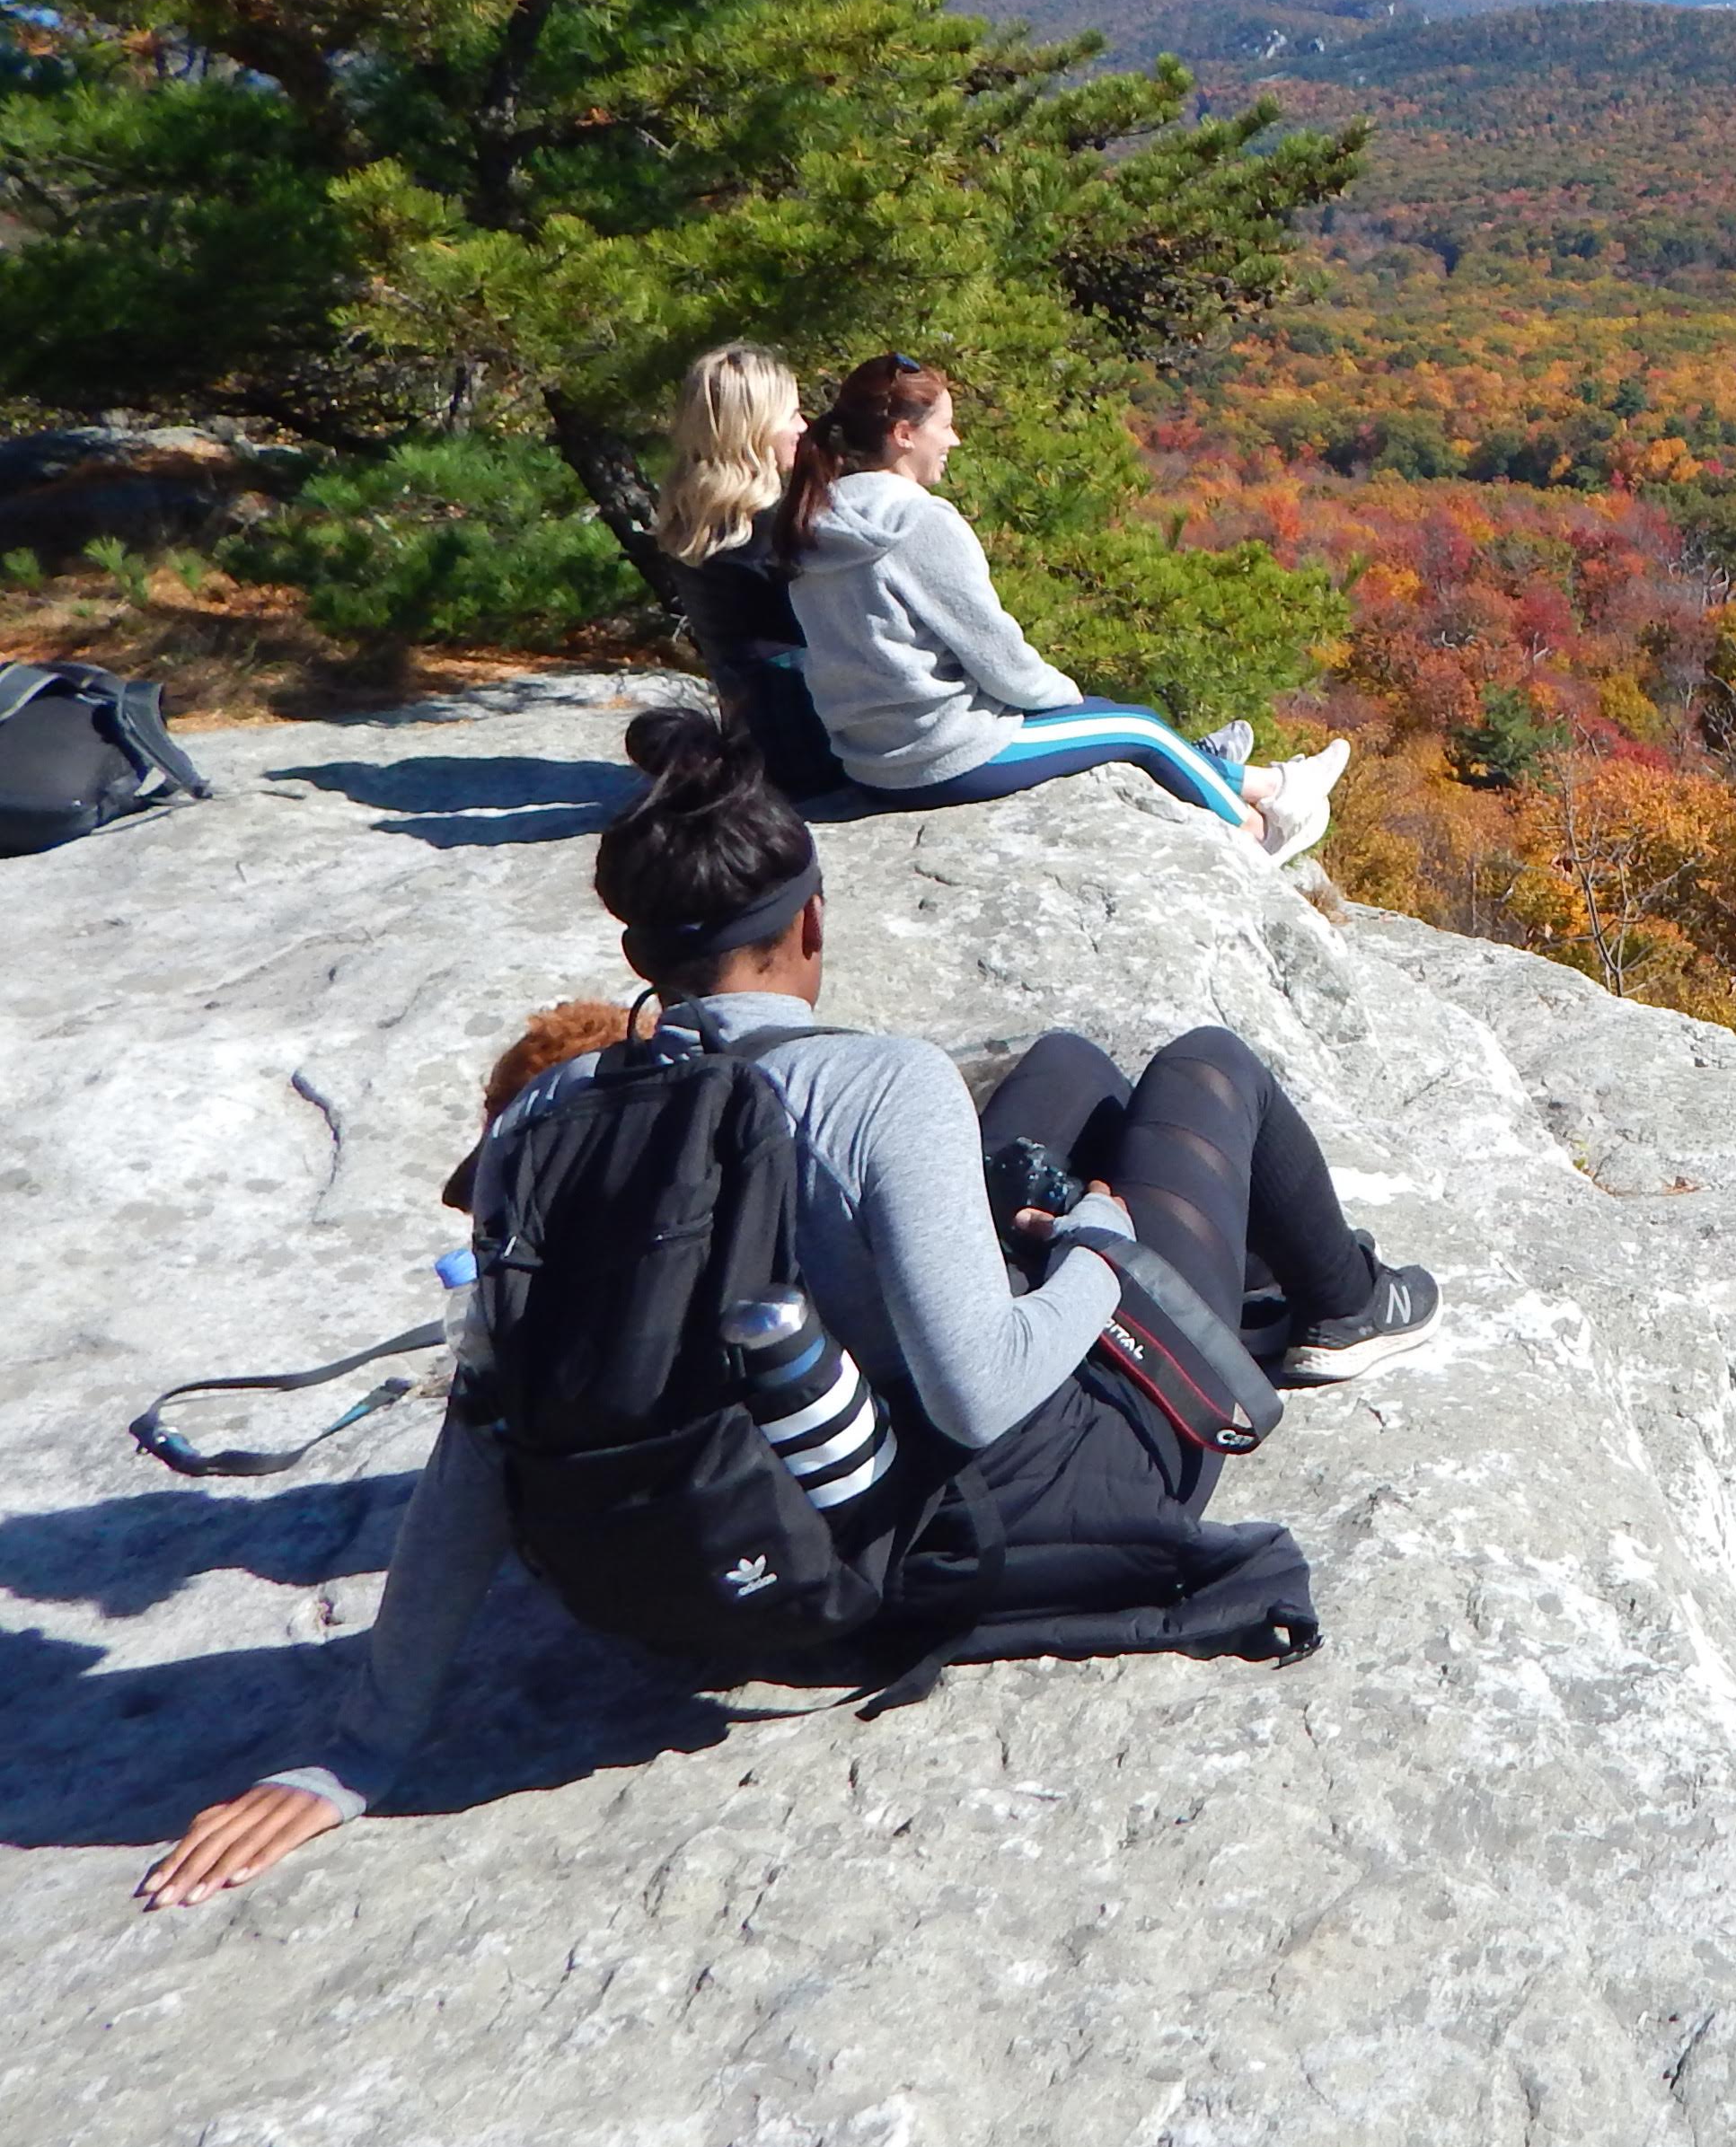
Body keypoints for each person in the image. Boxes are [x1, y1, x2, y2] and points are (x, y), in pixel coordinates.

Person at [136, 711, 1439, 1911]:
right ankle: (1351, 1305)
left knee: (1070, 1068)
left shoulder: (541, 1121)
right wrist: (1097, 1252)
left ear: (643, 958)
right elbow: (983, 1390)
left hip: (733, 1538)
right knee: (1205, 1065)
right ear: (812, 921)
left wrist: (359, 1751)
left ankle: (1188, 1248)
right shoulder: (884, 1086)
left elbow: (486, 1427)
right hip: (989, 1516)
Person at [778, 353, 1347, 866]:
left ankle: (1266, 784)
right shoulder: (920, 522)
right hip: (941, 757)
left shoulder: (814, 516)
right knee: (1139, 728)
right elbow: (996, 654)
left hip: (869, 758)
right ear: (904, 434)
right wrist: (1064, 698)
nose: (956, 441)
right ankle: (1256, 835)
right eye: (945, 426)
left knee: (1112, 720)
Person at [656, 343, 843, 798]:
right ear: (754, 428)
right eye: (792, 414)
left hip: (752, 746)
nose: (803, 427)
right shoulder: (769, 533)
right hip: (814, 752)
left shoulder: (696, 516)